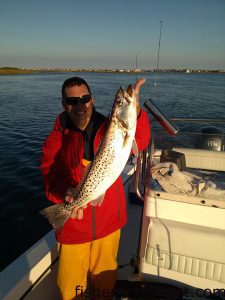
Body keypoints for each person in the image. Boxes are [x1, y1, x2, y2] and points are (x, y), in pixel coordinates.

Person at [40, 76, 151, 300]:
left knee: (104, 282)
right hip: (73, 227)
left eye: (85, 98)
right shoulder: (57, 137)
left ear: (92, 99)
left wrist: (136, 110)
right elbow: (50, 175)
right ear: (64, 105)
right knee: (71, 288)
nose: (80, 106)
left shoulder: (109, 126)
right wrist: (67, 193)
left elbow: (140, 140)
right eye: (72, 101)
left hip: (108, 223)